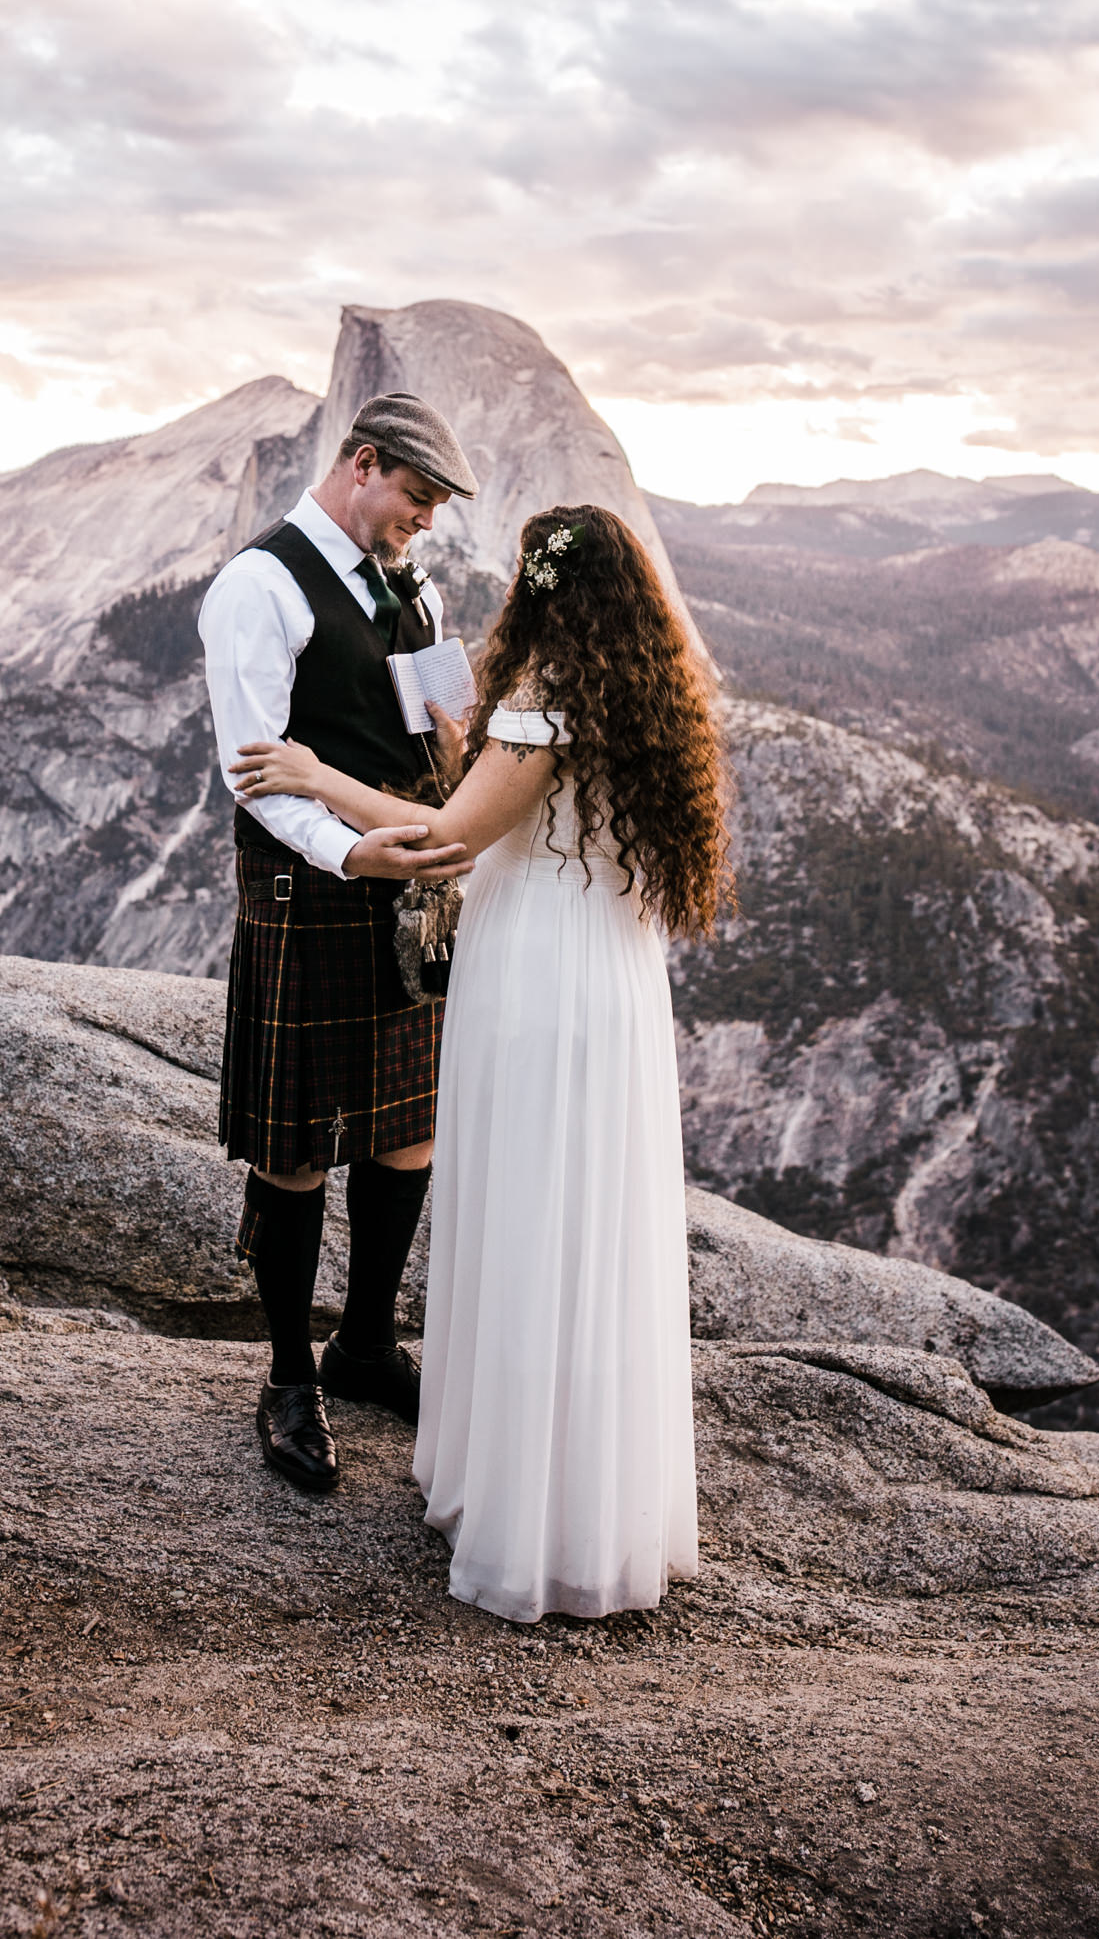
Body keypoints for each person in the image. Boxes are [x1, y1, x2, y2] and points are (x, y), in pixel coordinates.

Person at [233, 504, 729, 1622]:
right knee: (586, 1225)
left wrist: (313, 774)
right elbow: (523, 801)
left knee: (529, 1216)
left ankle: (520, 1510)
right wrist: (469, 745)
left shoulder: (546, 691)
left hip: (537, 980)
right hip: (607, 972)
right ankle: (592, 1502)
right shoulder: (634, 690)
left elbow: (449, 839)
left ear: (539, 586)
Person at [198, 392, 478, 1498]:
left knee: (405, 1133)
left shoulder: (416, 585)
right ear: (362, 464)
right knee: (299, 1143)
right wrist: (354, 855)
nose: (422, 524)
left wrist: (457, 770)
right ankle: (284, 1376)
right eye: (414, 499)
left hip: (410, 889)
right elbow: (256, 776)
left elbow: (437, 731)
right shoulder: (256, 588)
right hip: (308, 889)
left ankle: (361, 1346)